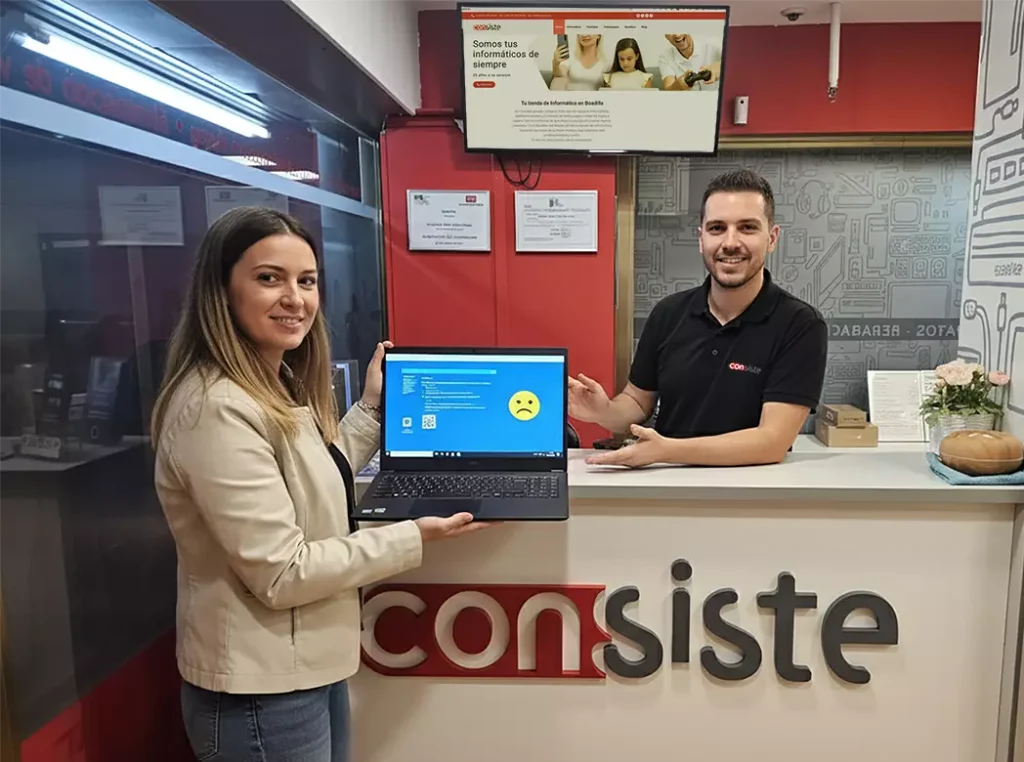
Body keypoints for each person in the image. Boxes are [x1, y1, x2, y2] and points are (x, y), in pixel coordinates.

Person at [150, 207, 491, 761]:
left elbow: (313, 480)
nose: (295, 299)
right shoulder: (216, 408)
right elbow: (283, 572)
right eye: (269, 278)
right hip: (260, 690)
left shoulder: (272, 383)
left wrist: (372, 409)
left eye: (306, 281)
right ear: (222, 291)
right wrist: (413, 534)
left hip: (305, 669)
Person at [570, 169, 828, 468]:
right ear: (701, 238)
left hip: (754, 490)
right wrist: (603, 412)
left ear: (771, 238)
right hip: (668, 485)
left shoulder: (800, 324)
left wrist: (666, 451)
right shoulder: (668, 313)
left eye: (747, 227)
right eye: (717, 228)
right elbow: (638, 402)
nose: (730, 242)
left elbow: (771, 442)